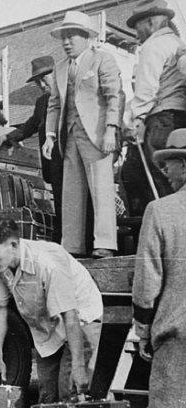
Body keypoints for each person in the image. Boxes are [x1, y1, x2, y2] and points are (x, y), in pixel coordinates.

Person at [0, 215, 102, 403]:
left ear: (13, 245)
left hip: (80, 320)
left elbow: (70, 315)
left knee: (70, 394)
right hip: (48, 325)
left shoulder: (47, 262)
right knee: (47, 396)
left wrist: (79, 366)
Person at [43, 11, 123, 258]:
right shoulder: (60, 68)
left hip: (98, 136)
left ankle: (106, 244)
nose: (67, 42)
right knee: (71, 193)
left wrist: (111, 129)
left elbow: (114, 96)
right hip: (70, 137)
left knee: (101, 189)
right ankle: (72, 245)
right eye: (64, 37)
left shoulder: (102, 59)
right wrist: (50, 135)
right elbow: (55, 104)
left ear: (87, 37)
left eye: (72, 36)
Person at [132, 128, 186, 408]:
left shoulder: (160, 210)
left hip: (177, 342)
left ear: (185, 165)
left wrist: (143, 331)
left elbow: (146, 283)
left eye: (168, 163)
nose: (164, 170)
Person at [123, 0, 186, 210]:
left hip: (161, 121)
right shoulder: (177, 43)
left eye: (137, 27)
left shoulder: (152, 46)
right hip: (179, 120)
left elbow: (146, 90)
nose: (136, 34)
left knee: (160, 182)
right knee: (177, 180)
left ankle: (161, 229)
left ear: (150, 23)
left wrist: (135, 120)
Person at [5, 56, 64, 243]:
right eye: (37, 81)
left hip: (70, 160)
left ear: (56, 74)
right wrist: (7, 137)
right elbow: (28, 127)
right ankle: (61, 241)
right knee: (60, 204)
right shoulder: (42, 103)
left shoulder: (68, 96)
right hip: (54, 165)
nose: (41, 84)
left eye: (44, 78)